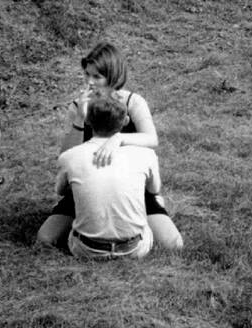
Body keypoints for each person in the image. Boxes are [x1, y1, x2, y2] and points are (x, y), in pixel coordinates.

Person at [36, 43, 184, 252]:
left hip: (128, 181)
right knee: (45, 238)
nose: (89, 82)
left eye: (97, 77)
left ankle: (148, 208)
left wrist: (118, 139)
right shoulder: (79, 105)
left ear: (113, 76)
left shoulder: (133, 102)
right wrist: (80, 118)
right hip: (90, 178)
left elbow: (152, 139)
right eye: (86, 75)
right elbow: (67, 154)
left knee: (173, 243)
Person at [53, 92, 161, 260]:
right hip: (135, 249)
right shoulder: (146, 155)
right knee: (154, 207)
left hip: (85, 250)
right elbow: (154, 189)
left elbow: (60, 192)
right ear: (125, 122)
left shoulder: (69, 156)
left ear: (88, 121)